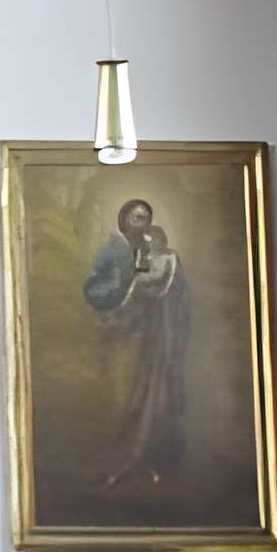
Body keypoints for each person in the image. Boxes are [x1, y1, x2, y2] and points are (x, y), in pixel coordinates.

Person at [82, 197, 189, 489]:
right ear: (123, 219)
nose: (141, 223)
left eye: (146, 217)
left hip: (150, 340)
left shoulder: (161, 254)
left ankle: (141, 459)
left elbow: (175, 295)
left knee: (144, 398)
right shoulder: (113, 249)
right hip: (117, 337)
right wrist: (116, 296)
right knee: (116, 398)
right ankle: (114, 464)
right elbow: (94, 287)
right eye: (135, 216)